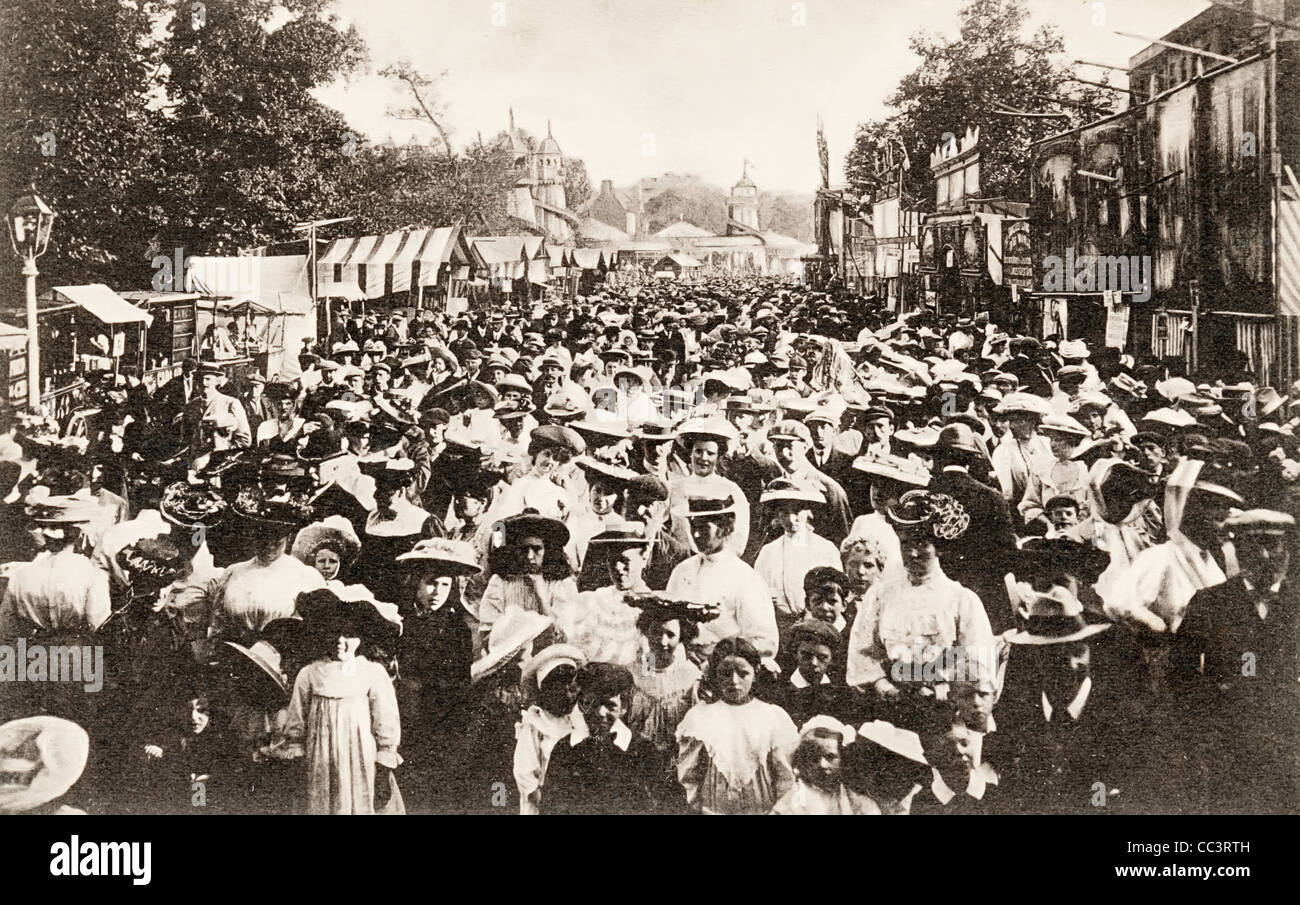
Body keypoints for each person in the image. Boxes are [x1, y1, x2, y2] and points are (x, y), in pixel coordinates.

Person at [1170, 510, 1300, 813]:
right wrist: (1208, 725)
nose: (1266, 555)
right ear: (1238, 550)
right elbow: (1180, 675)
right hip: (1227, 747)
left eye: (1274, 544)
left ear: (1290, 548)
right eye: (1254, 545)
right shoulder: (1209, 602)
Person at [281, 589, 404, 814]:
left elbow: (385, 721)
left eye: (348, 634)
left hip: (360, 761)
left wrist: (384, 765)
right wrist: (296, 756)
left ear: (361, 637)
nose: (340, 641)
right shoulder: (309, 673)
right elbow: (296, 721)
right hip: (319, 761)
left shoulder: (371, 672)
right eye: (333, 632)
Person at [675, 637, 798, 815]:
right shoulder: (699, 717)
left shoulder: (773, 717)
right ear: (715, 675)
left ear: (755, 673)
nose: (734, 681)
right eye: (725, 673)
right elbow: (688, 776)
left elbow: (786, 779)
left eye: (742, 673)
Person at [540, 662, 676, 815]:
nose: (600, 712)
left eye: (610, 705)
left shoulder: (643, 750)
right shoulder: (565, 750)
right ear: (581, 704)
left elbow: (663, 805)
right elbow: (550, 807)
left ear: (624, 707)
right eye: (592, 704)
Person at [665, 496, 779, 665]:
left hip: (725, 670)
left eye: (704, 528)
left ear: (725, 529)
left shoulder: (745, 577)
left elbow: (765, 642)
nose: (695, 534)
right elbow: (666, 621)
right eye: (693, 526)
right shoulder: (682, 570)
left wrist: (717, 655)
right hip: (681, 664)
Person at [753, 480, 843, 636]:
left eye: (796, 511)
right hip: (780, 628)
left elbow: (837, 594)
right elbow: (757, 593)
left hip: (818, 628)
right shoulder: (768, 552)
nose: (790, 518)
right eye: (784, 512)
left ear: (808, 512)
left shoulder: (826, 549)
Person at [513, 643, 586, 815]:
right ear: (547, 691)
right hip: (544, 802)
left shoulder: (576, 720)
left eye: (572, 688)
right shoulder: (536, 722)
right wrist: (543, 798)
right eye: (561, 689)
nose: (569, 695)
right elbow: (524, 770)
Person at [771, 717, 880, 815]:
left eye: (830, 757)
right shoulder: (787, 807)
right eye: (814, 757)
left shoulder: (861, 805)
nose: (822, 764)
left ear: (842, 758)